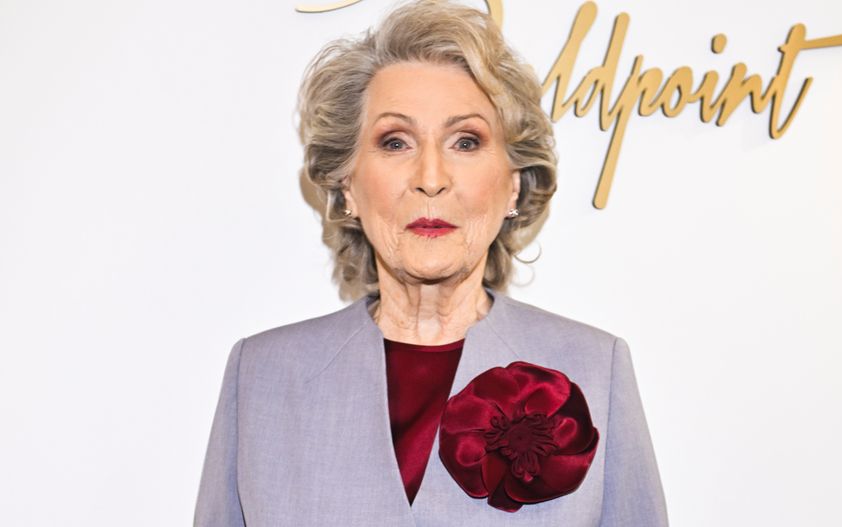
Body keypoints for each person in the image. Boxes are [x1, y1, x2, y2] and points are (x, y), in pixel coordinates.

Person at [194, 1, 668, 525]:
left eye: (466, 141)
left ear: (513, 184)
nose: (431, 178)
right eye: (395, 142)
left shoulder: (596, 368)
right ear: (347, 184)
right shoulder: (260, 375)